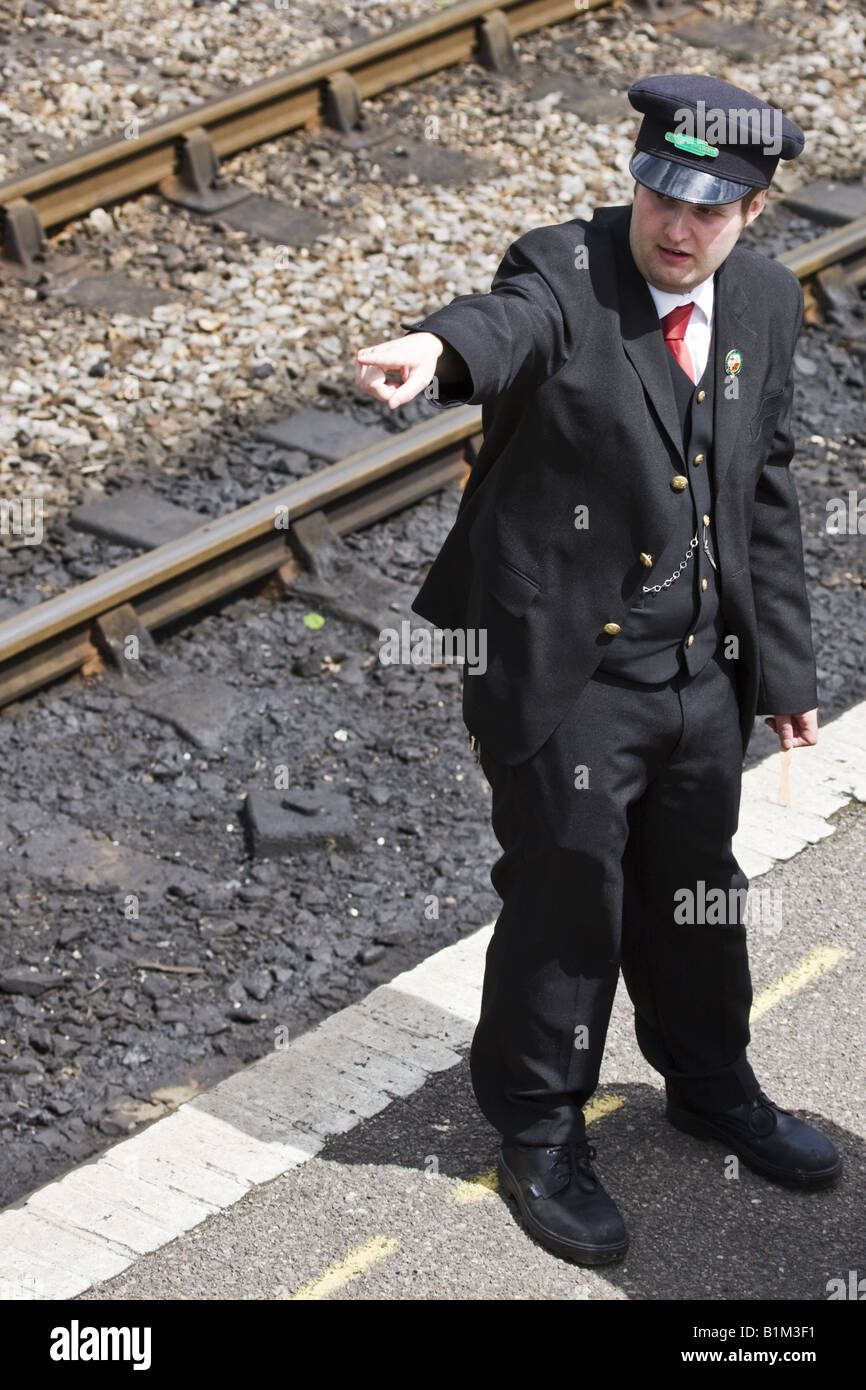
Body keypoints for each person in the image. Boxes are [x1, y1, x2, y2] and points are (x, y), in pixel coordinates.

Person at [354, 73, 842, 1267]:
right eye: (658, 194)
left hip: (696, 677)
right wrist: (435, 348)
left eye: (707, 209)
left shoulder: (768, 303)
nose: (674, 226)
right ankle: (536, 1130)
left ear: (754, 210)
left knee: (696, 889)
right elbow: (504, 320)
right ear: (635, 181)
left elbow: (759, 494)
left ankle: (710, 1085)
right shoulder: (565, 273)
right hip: (567, 673)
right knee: (570, 897)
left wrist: (780, 671)